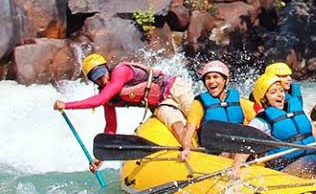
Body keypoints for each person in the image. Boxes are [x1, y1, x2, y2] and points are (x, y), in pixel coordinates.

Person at [53, 54, 194, 171]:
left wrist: (66, 105)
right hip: (161, 103)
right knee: (176, 125)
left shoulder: (121, 71)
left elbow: (98, 100)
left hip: (174, 87)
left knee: (196, 118)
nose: (102, 79)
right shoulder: (108, 97)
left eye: (102, 74)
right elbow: (111, 127)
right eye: (96, 78)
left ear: (107, 68)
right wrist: (101, 157)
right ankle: (194, 157)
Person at [231, 74, 316, 178]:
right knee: (309, 163)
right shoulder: (261, 121)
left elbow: (313, 135)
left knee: (312, 161)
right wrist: (236, 168)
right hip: (284, 168)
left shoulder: (298, 111)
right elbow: (246, 144)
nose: (280, 95)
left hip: (311, 160)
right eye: (273, 92)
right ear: (263, 100)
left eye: (281, 91)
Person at [180, 61, 247, 162]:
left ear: (225, 80)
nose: (211, 81)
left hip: (239, 149)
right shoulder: (199, 104)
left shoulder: (239, 101)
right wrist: (186, 148)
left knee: (237, 150)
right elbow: (189, 131)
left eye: (215, 77)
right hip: (214, 152)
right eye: (208, 78)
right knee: (228, 152)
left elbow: (258, 121)